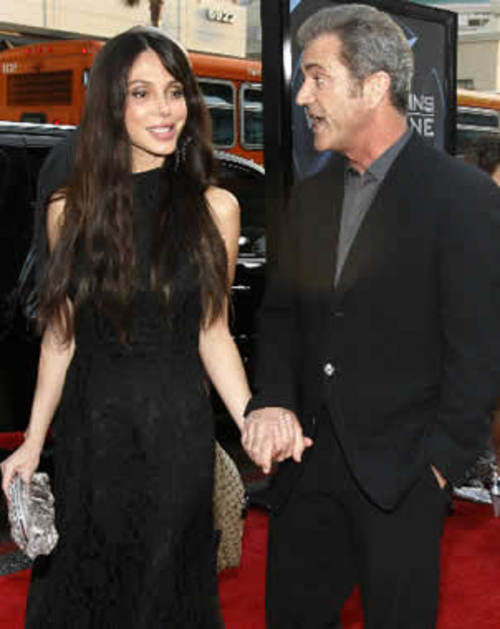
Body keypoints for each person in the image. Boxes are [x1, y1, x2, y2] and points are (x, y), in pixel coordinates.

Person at [241, 5, 500, 628]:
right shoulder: (311, 195)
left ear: (375, 85)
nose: (303, 96)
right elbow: (281, 317)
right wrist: (271, 400)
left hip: (404, 478)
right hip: (306, 469)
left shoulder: (462, 198)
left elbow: (479, 347)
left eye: (318, 77)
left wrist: (438, 467)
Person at [0, 27, 251, 628]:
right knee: (86, 589)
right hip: (91, 436)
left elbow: (213, 331)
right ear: (112, 105)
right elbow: (60, 334)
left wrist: (252, 419)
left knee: (162, 593)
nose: (164, 109)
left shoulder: (216, 209)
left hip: (176, 437)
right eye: (141, 93)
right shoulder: (70, 209)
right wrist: (32, 441)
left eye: (174, 91)